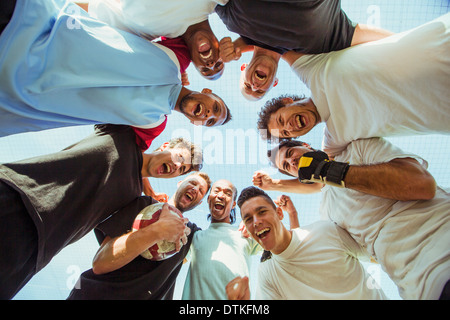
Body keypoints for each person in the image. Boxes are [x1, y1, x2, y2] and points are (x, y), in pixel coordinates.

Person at [0, 124, 203, 299]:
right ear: (165, 145)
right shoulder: (123, 134)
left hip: (38, 249)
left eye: (183, 169)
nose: (177, 166)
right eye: (179, 157)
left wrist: (147, 190)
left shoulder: (134, 199)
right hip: (17, 195)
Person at [0, 0, 231, 138]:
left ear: (195, 123)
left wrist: (146, 182)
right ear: (207, 93)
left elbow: (137, 159)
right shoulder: (177, 57)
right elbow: (190, 30)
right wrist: (232, 51)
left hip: (12, 91)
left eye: (210, 121)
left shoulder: (152, 124)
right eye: (216, 108)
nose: (209, 114)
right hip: (31, 21)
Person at [260, 137, 450, 300]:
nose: (291, 162)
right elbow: (368, 256)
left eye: (290, 153)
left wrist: (327, 170)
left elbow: (421, 184)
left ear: (305, 144)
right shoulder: (327, 214)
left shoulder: (357, 149)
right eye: (286, 166)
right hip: (421, 289)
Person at [257, 13, 450, 156]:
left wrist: (248, 68)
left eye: (282, 120)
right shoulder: (334, 140)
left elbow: (272, 36)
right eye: (285, 133)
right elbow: (319, 183)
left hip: (441, 45)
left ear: (287, 101)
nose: (289, 128)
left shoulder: (311, 69)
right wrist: (278, 184)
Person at [67, 172, 211, 300]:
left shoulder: (191, 234)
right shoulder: (144, 204)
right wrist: (156, 231)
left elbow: (222, 241)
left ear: (200, 202)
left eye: (201, 191)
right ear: (180, 183)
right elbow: (100, 263)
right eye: (193, 183)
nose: (195, 189)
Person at [226, 187, 387, 300]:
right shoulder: (267, 273)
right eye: (248, 219)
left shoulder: (326, 231)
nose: (256, 221)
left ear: (279, 213)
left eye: (262, 212)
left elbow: (378, 255)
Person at [215, 0, 393, 100]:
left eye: (247, 86)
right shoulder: (318, 46)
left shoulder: (234, 22)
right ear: (274, 82)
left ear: (243, 67)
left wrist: (235, 44)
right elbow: (392, 43)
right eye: (260, 91)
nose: (254, 86)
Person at [86, 0, 227, 80]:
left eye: (205, 71)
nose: (210, 64)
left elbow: (91, 10)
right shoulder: (213, 2)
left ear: (193, 61)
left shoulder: (145, 32)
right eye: (218, 65)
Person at [181, 179, 262, 299]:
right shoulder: (195, 237)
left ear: (234, 204)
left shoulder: (245, 235)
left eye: (228, 193)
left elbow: (277, 239)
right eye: (216, 191)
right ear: (208, 199)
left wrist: (255, 221)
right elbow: (171, 261)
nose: (220, 196)